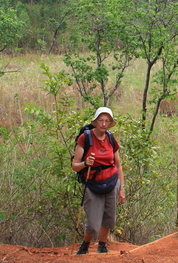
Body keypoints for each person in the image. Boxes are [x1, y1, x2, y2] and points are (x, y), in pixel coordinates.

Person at [71, 107, 126, 254]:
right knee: (93, 224)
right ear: (95, 121)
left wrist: (122, 187)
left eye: (107, 121)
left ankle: (102, 245)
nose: (103, 124)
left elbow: (119, 165)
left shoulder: (110, 138)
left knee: (109, 218)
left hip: (112, 182)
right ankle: (85, 244)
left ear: (110, 123)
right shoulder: (85, 138)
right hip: (93, 184)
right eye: (101, 120)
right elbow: (75, 166)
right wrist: (85, 163)